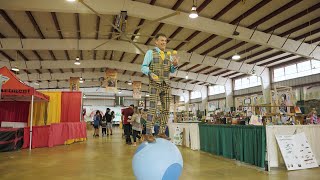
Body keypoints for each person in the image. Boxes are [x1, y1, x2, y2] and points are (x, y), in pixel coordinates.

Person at [141, 33, 179, 142]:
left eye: (165, 41)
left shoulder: (169, 55)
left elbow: (171, 70)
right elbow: (143, 67)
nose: (163, 42)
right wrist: (150, 73)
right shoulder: (150, 53)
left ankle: (161, 132)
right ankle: (148, 133)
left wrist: (175, 65)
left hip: (166, 85)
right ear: (156, 42)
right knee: (152, 108)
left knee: (166, 109)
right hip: (154, 84)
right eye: (161, 40)